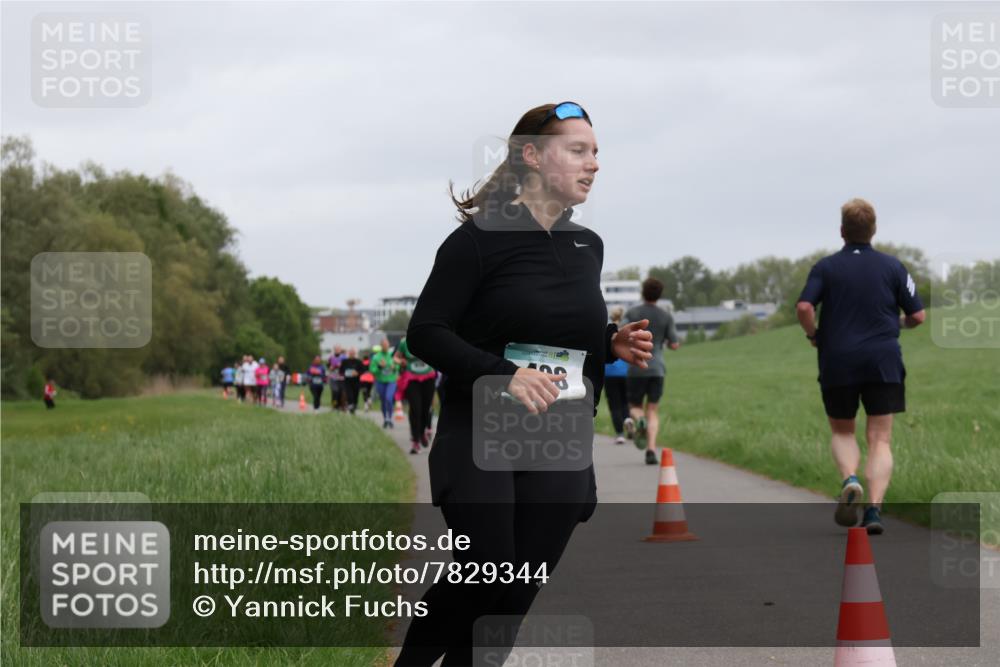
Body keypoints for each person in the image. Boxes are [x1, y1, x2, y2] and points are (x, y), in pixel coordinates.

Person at [397, 101, 653, 666]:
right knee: (487, 569)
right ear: (532, 156)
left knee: (516, 590)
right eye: (579, 150)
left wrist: (609, 341)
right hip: (481, 431)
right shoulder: (477, 242)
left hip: (557, 438)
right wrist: (503, 376)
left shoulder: (588, 246)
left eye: (596, 152)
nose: (594, 164)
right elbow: (426, 333)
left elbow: (559, 328)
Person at [796, 198, 925, 535]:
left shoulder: (825, 267)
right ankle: (874, 512)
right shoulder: (894, 267)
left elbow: (805, 306)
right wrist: (896, 323)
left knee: (842, 430)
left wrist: (814, 335)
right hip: (883, 360)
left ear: (842, 231)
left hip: (838, 360)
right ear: (874, 230)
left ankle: (850, 480)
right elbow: (918, 316)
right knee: (880, 438)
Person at [622, 277, 680, 464]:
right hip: (657, 369)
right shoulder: (666, 316)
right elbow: (674, 344)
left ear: (643, 292)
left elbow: (619, 332)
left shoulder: (632, 312)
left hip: (636, 367)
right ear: (659, 294)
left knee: (634, 407)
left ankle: (639, 420)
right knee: (653, 411)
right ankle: (651, 450)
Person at [394, 336, 438, 454]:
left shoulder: (430, 338)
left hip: (428, 377)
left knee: (425, 409)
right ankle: (415, 441)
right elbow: (396, 357)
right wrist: (401, 361)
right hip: (411, 378)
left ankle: (422, 432)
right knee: (415, 409)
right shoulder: (404, 342)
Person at [603, 307, 630, 444]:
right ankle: (627, 419)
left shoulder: (607, 329)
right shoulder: (625, 330)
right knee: (625, 401)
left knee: (614, 405)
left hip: (608, 373)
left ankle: (620, 434)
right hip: (624, 372)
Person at [370, 341, 400, 428]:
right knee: (383, 400)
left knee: (389, 398)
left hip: (391, 381)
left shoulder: (392, 355)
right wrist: (380, 367)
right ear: (381, 346)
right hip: (380, 381)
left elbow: (397, 366)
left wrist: (394, 367)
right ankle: (385, 418)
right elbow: (372, 370)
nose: (385, 347)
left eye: (387, 345)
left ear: (389, 345)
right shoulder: (376, 357)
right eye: (384, 345)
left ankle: (390, 418)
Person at [340, 348, 364, 414]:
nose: (352, 354)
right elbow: (341, 371)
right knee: (349, 395)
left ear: (355, 354)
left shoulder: (358, 362)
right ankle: (350, 406)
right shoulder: (344, 362)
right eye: (350, 353)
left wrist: (357, 373)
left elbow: (363, 371)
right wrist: (346, 373)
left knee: (355, 395)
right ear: (348, 354)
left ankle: (354, 406)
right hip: (347, 381)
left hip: (356, 381)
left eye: (353, 353)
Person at [328, 345, 346, 411]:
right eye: (336, 349)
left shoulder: (344, 358)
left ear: (340, 350)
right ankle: (334, 405)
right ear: (334, 350)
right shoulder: (331, 358)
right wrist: (332, 367)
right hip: (333, 378)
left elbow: (346, 367)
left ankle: (341, 406)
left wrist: (341, 366)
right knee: (335, 392)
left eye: (338, 349)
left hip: (341, 378)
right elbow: (329, 367)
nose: (337, 351)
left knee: (341, 393)